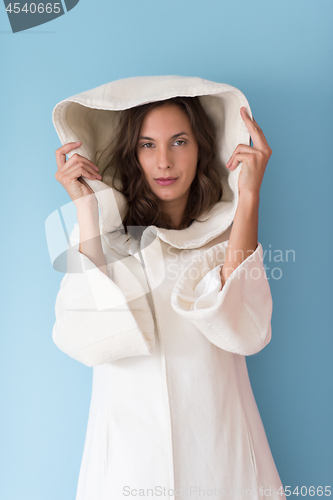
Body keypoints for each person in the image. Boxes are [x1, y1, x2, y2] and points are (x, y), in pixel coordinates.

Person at [51, 75, 285, 500]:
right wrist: (87, 208)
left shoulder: (226, 234)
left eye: (179, 142)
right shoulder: (103, 238)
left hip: (221, 455)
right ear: (132, 154)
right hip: (127, 463)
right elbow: (84, 334)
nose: (163, 161)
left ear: (202, 148)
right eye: (147, 144)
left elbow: (245, 329)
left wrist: (249, 195)